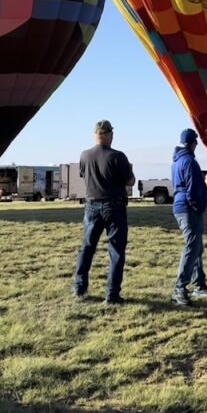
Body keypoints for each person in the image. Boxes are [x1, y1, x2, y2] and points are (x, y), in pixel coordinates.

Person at [73, 120, 135, 305]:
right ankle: (112, 294)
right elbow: (130, 181)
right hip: (114, 206)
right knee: (116, 250)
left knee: (87, 247)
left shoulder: (85, 155)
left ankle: (79, 287)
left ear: (95, 135)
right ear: (108, 135)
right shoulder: (117, 156)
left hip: (91, 205)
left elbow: (83, 175)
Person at [171, 128, 207, 307]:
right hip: (189, 208)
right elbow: (192, 188)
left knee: (196, 247)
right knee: (192, 246)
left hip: (180, 206)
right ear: (193, 143)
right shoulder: (190, 161)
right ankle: (179, 288)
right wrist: (199, 206)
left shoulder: (176, 161)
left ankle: (199, 284)